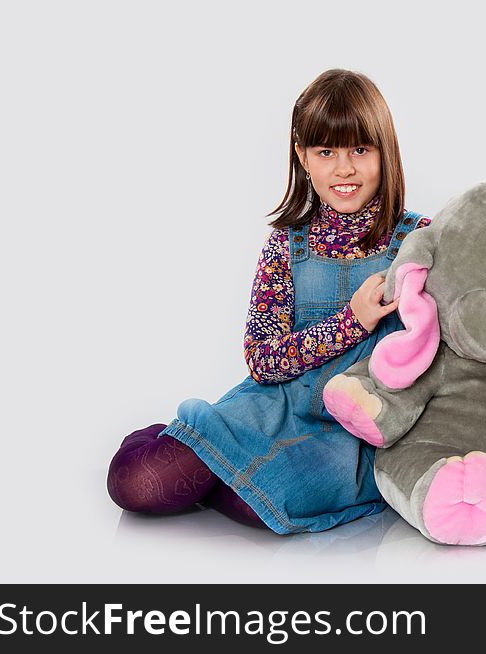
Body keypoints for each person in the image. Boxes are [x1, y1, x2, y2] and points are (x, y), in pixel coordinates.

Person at [107, 69, 431, 533]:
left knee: (264, 502)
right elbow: (262, 360)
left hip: (351, 433)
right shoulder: (287, 245)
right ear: (302, 156)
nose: (345, 169)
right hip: (275, 405)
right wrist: (351, 322)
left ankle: (207, 458)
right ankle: (181, 438)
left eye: (361, 149)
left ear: (385, 150)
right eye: (326, 152)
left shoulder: (419, 240)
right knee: (137, 483)